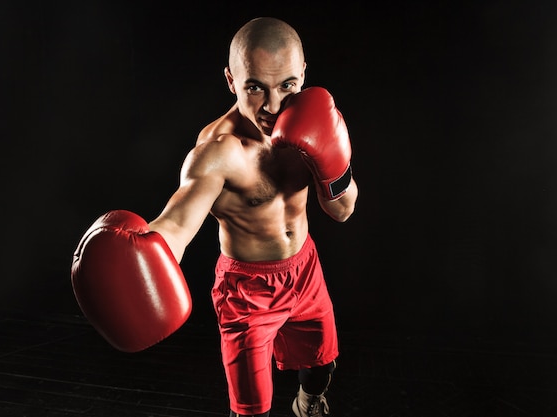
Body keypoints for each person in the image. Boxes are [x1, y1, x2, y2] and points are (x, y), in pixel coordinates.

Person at [72, 16, 358, 417]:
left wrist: (332, 164)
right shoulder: (219, 152)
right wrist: (140, 256)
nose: (273, 106)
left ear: (303, 74)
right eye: (255, 87)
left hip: (306, 269)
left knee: (321, 365)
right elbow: (177, 223)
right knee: (251, 408)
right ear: (231, 80)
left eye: (287, 86)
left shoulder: (315, 120)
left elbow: (342, 211)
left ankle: (308, 401)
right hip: (248, 291)